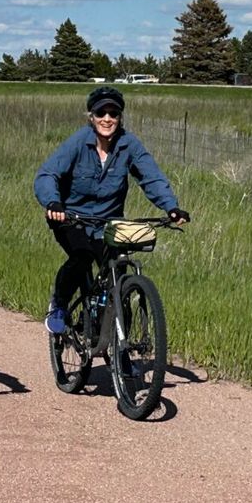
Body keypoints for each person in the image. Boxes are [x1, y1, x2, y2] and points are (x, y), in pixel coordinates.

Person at [34, 85, 188, 334]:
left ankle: (118, 343)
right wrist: (53, 202)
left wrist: (172, 207)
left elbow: (151, 177)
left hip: (108, 222)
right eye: (101, 113)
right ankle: (59, 304)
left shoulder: (129, 145)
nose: (107, 119)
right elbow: (47, 174)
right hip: (71, 217)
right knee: (82, 257)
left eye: (113, 113)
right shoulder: (78, 142)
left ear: (120, 117)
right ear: (91, 117)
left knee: (119, 274)